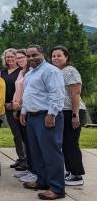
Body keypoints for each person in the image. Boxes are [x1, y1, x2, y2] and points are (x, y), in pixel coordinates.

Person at [20, 45, 66, 200]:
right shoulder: (30, 73)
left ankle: (57, 188)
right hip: (32, 117)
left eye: (34, 55)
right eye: (29, 55)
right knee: (37, 152)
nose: (31, 58)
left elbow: (57, 93)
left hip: (46, 116)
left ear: (42, 54)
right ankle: (42, 181)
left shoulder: (51, 71)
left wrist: (52, 114)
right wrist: (24, 111)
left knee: (51, 153)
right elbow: (29, 94)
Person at [51, 46, 86, 186]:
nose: (56, 58)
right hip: (63, 111)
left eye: (59, 55)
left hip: (73, 111)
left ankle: (77, 176)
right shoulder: (57, 71)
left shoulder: (70, 71)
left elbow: (75, 94)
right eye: (53, 56)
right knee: (65, 143)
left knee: (71, 144)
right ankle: (70, 171)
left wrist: (75, 114)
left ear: (66, 57)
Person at [1, 48, 26, 171]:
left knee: (22, 135)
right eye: (7, 57)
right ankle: (21, 158)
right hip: (6, 107)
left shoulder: (21, 71)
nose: (10, 59)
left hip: (18, 106)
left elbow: (21, 90)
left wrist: (13, 103)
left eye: (12, 56)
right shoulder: (3, 72)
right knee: (16, 135)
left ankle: (25, 160)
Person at [12, 49, 35, 182]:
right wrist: (15, 104)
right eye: (17, 58)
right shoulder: (21, 72)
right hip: (20, 108)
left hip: (26, 108)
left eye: (21, 57)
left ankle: (33, 170)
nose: (19, 60)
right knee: (26, 141)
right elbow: (18, 90)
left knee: (30, 142)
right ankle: (29, 168)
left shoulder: (30, 72)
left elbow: (28, 92)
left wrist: (19, 104)